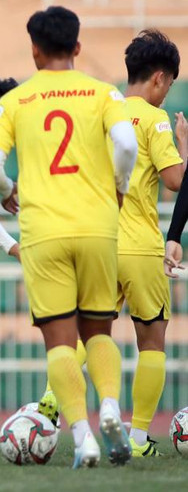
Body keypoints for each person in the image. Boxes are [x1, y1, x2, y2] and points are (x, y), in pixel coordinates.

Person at [0, 5, 138, 468]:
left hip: (43, 231)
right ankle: (110, 406)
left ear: (34, 50)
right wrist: (119, 186)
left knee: (60, 342)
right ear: (77, 47)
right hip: (97, 226)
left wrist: (8, 191)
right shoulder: (104, 93)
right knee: (99, 330)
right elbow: (127, 144)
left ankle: (84, 437)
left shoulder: (16, 101)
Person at [114, 30, 185, 457]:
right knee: (152, 343)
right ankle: (138, 438)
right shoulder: (153, 118)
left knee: (87, 336)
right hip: (139, 245)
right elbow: (176, 181)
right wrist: (184, 145)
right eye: (170, 84)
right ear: (159, 78)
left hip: (99, 242)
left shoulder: (103, 110)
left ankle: (50, 412)